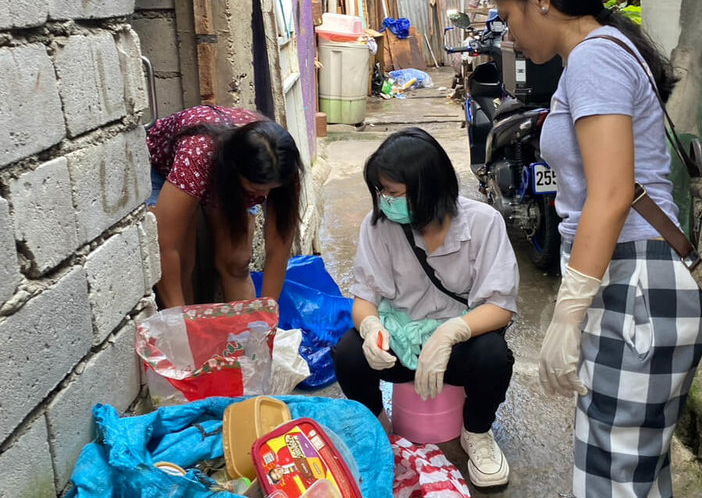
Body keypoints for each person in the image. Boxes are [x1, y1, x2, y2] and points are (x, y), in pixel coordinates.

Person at [488, 0, 702, 498]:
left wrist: (568, 311)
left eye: (508, 16)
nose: (508, 34)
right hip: (636, 281)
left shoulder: (593, 57)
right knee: (633, 473)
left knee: (613, 479)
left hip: (634, 282)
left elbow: (610, 195)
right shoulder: (603, 52)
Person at [332, 127, 517, 488]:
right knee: (348, 354)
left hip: (459, 347)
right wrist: (372, 330)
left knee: (494, 356)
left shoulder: (483, 223)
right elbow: (365, 297)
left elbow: (501, 305)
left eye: (394, 192)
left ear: (428, 189)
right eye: (382, 191)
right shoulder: (378, 227)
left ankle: (476, 431)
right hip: (401, 339)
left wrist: (451, 333)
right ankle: (379, 426)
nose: (385, 200)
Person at [146, 104, 303, 308]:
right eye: (256, 188)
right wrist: (178, 320)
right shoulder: (198, 155)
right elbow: (165, 245)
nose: (265, 196)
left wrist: (266, 317)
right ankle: (189, 328)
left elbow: (278, 248)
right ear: (235, 173)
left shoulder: (282, 162)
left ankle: (246, 330)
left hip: (226, 177)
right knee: (183, 263)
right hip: (166, 168)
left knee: (236, 262)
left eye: (272, 188)